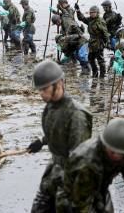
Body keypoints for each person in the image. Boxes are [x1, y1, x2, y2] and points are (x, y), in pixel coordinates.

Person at [28, 60, 93, 212]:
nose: (41, 94)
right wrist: (42, 141)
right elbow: (56, 129)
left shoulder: (76, 115)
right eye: (39, 90)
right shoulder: (51, 106)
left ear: (59, 84)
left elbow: (79, 158)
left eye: (45, 89)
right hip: (54, 170)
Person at [56, 118, 124, 212]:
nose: (116, 156)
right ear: (104, 145)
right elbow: (81, 203)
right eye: (112, 152)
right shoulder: (86, 161)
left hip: (101, 186)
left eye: (120, 153)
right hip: (73, 193)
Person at [75, 3, 111, 78]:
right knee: (90, 58)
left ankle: (102, 75)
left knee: (100, 60)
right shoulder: (90, 20)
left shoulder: (100, 21)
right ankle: (95, 73)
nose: (92, 14)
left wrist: (108, 42)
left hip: (99, 42)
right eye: (91, 13)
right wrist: (78, 11)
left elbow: (106, 32)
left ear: (97, 13)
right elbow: (82, 18)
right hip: (91, 42)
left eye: (93, 12)